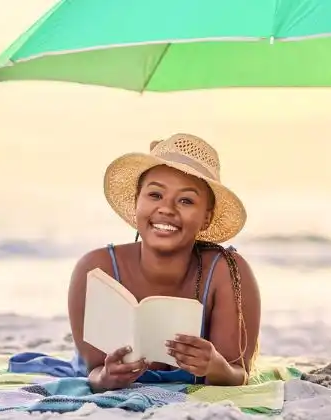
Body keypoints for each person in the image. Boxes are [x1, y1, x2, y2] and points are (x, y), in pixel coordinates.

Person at [67, 133, 261, 391]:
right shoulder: (95, 270)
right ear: (137, 201)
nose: (167, 209)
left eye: (186, 200)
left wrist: (215, 366)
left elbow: (238, 375)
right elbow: (93, 372)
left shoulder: (226, 271)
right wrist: (106, 377)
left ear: (206, 218)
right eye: (155, 195)